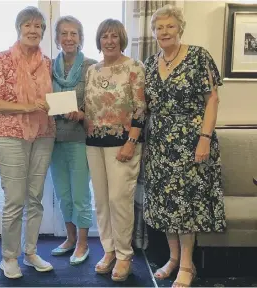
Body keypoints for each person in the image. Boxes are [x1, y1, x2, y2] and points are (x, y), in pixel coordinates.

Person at [143, 4, 226, 287]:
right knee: (168, 204)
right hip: (160, 145)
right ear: (153, 32)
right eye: (159, 27)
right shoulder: (150, 63)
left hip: (191, 140)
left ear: (180, 28)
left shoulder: (199, 56)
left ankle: (187, 264)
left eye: (170, 26)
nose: (164, 32)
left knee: (186, 204)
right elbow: (145, 104)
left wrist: (204, 138)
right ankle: (173, 258)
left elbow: (212, 100)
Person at [0, 6, 55, 279]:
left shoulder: (47, 62)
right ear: (19, 29)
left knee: (35, 198)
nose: (33, 30)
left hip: (43, 135)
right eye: (28, 25)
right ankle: (9, 257)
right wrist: (28, 107)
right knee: (15, 200)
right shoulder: (2, 60)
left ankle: (30, 252)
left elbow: (52, 101)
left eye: (38, 26)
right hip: (9, 135)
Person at [84, 19, 146, 281]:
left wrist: (131, 141)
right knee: (101, 201)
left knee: (119, 200)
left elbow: (141, 108)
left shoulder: (134, 67)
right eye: (104, 36)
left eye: (114, 36)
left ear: (121, 38)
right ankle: (108, 250)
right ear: (98, 40)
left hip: (123, 143)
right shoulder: (92, 70)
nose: (109, 41)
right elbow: (90, 108)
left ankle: (124, 255)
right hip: (93, 144)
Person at [49, 16, 97, 265]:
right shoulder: (48, 67)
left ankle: (83, 243)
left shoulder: (92, 67)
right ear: (57, 39)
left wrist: (82, 114)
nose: (69, 38)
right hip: (53, 139)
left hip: (79, 138)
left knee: (80, 195)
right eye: (64, 33)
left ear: (80, 38)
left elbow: (100, 105)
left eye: (74, 33)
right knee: (63, 193)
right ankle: (69, 238)